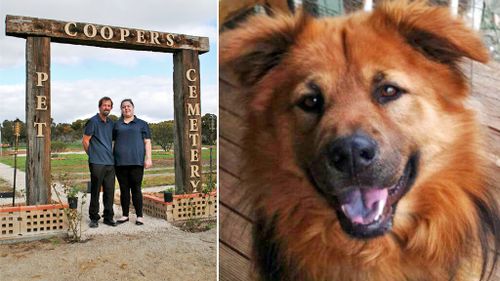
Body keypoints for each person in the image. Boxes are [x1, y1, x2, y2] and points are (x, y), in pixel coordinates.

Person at [113, 99, 152, 226]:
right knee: (123, 190)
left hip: (136, 162)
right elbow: (112, 142)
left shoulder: (142, 124)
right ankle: (125, 215)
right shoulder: (117, 125)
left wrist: (148, 158)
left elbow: (147, 142)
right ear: (121, 109)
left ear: (133, 107)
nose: (126, 108)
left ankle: (139, 216)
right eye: (123, 107)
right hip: (120, 162)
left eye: (128, 106)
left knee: (136, 189)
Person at [82, 96, 117, 228]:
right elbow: (85, 141)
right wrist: (92, 155)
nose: (106, 108)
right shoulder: (93, 121)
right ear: (100, 107)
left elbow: (113, 141)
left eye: (109, 106)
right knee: (95, 191)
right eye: (104, 105)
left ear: (111, 108)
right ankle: (94, 218)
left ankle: (108, 217)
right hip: (96, 162)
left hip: (110, 163)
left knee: (109, 191)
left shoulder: (111, 123)